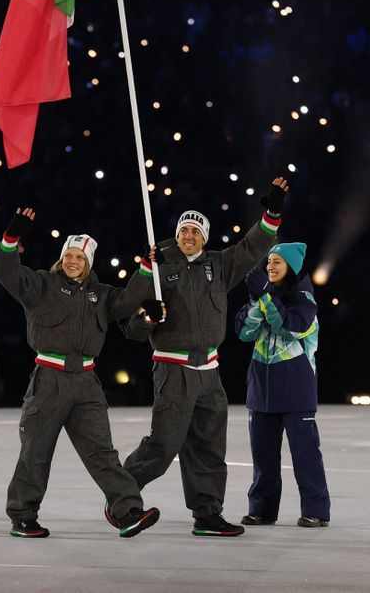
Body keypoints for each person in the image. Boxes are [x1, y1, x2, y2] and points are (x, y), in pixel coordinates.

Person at [115, 177, 289, 537]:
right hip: (173, 367)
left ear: (205, 238)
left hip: (209, 370)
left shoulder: (220, 266)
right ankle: (121, 498)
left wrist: (271, 214)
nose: (188, 235)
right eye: (184, 229)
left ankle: (207, 513)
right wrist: (147, 315)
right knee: (164, 446)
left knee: (209, 445)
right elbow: (131, 328)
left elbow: (252, 246)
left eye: (195, 230)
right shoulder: (158, 265)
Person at [0, 206, 164, 539]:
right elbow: (5, 272)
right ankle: (23, 515)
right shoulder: (40, 285)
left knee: (102, 452)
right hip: (49, 380)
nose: (73, 261)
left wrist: (146, 267)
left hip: (87, 384)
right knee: (36, 450)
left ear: (88, 263)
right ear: (61, 258)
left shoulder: (100, 295)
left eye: (80, 257)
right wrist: (10, 238)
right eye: (69, 255)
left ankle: (127, 510)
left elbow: (129, 301)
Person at [235, 242, 331, 527]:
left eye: (277, 262)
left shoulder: (305, 301)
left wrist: (264, 296)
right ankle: (262, 509)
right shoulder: (265, 297)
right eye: (268, 263)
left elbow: (290, 327)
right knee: (263, 457)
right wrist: (256, 301)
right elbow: (243, 332)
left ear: (292, 267)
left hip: (295, 390)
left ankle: (316, 510)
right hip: (262, 392)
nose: (270, 267)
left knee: (305, 455)